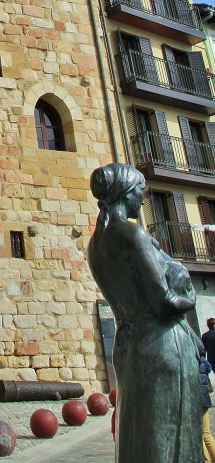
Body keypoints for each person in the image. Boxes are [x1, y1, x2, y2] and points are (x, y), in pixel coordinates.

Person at [88, 163, 202, 463]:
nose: (143, 197)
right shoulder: (133, 236)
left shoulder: (96, 244)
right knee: (169, 436)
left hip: (128, 343)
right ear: (126, 193)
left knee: (137, 433)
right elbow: (163, 301)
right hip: (161, 344)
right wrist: (189, 298)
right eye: (140, 191)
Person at [199, 348, 215, 461]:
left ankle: (206, 461)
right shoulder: (202, 360)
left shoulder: (187, 361)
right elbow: (209, 368)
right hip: (204, 399)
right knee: (206, 433)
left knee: (199, 435)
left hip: (195, 401)